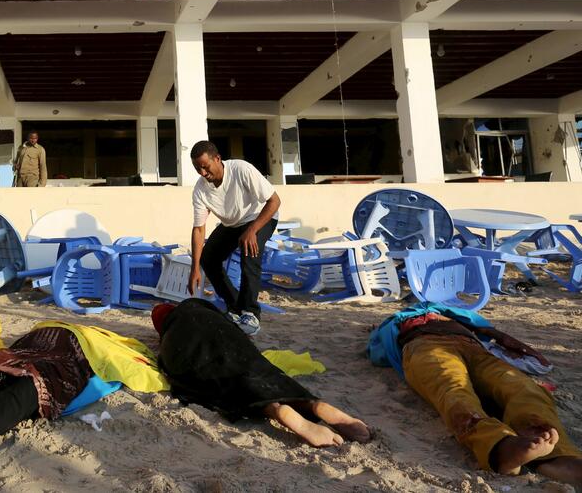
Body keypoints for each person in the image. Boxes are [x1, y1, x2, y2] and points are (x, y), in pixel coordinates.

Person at [0, 320, 167, 471]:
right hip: (61, 352)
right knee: (27, 390)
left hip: (31, 344)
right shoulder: (114, 340)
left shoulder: (62, 325)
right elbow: (131, 366)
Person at [369, 303, 582, 485]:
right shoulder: (397, 321)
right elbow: (379, 352)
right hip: (422, 345)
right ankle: (499, 446)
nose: (429, 312)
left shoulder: (456, 316)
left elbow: (491, 332)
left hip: (475, 348)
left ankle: (555, 454)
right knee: (453, 390)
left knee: (523, 386)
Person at [155, 299, 370, 447]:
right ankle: (311, 403)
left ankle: (274, 409)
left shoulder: (170, 335)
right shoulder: (199, 307)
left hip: (191, 348)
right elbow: (236, 329)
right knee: (260, 369)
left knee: (223, 386)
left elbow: (170, 367)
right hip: (225, 334)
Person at [187, 140, 280, 335]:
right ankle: (235, 308)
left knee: (249, 249)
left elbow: (274, 201)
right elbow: (198, 229)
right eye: (198, 169)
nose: (203, 173)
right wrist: (195, 268)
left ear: (217, 159)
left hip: (261, 216)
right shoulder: (200, 190)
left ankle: (251, 313)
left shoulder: (241, 170)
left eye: (205, 167)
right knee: (208, 258)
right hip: (233, 223)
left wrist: (253, 229)